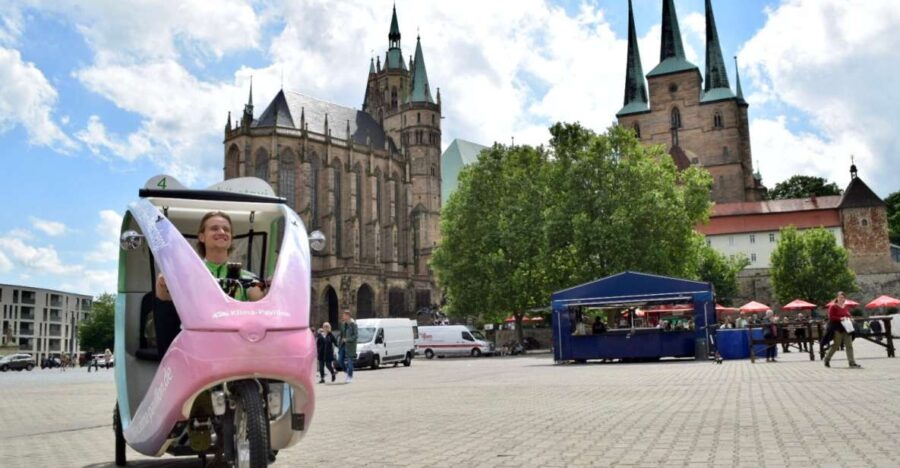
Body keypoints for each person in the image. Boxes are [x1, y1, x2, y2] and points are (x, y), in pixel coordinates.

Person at [154, 211, 265, 356]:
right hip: (197, 349)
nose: (221, 232)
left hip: (237, 350)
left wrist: (266, 289)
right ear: (202, 237)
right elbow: (163, 296)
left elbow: (259, 297)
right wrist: (162, 282)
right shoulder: (187, 274)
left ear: (231, 239)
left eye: (226, 229)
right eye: (214, 228)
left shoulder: (247, 277)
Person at [824, 291, 862, 369]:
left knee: (849, 345)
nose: (841, 299)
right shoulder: (833, 306)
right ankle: (827, 359)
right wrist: (840, 318)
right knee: (836, 345)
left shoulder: (845, 306)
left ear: (845, 298)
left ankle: (852, 363)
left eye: (843, 297)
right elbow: (831, 317)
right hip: (837, 328)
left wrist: (850, 317)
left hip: (846, 327)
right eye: (840, 297)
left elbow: (847, 314)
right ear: (837, 298)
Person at [339, 310, 358, 383]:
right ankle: (347, 371)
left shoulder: (353, 324)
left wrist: (347, 339)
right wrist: (339, 343)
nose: (343, 316)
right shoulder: (343, 324)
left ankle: (350, 376)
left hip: (350, 346)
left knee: (350, 362)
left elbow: (355, 336)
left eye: (344, 315)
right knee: (340, 360)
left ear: (348, 316)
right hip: (343, 345)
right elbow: (341, 335)